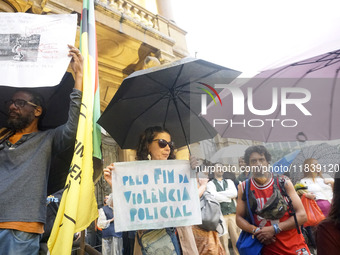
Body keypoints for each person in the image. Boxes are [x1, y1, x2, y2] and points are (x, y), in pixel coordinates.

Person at [0, 45, 83, 255]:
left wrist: (79, 77)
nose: (12, 106)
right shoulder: (2, 136)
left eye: (20, 103)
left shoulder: (47, 139)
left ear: (37, 111)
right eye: (11, 102)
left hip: (22, 229)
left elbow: (74, 127)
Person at [103, 126, 199, 255]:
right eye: (162, 143)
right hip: (151, 241)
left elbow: (191, 200)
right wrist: (114, 184)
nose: (167, 148)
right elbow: (128, 207)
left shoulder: (179, 172)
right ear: (148, 145)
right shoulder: (136, 175)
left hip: (181, 239)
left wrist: (194, 173)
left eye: (170, 144)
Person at [236, 145, 310, 255]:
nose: (258, 164)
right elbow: (239, 218)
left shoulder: (283, 182)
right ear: (248, 165)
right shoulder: (244, 187)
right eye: (253, 161)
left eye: (261, 160)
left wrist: (275, 229)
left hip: (294, 245)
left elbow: (302, 216)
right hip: (266, 248)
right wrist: (256, 230)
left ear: (267, 162)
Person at [207, 163, 239, 255]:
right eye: (218, 168)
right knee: (223, 241)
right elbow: (213, 197)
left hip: (232, 214)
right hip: (220, 216)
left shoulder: (229, 181)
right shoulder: (210, 184)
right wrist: (228, 196)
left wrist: (221, 195)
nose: (220, 169)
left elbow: (234, 193)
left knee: (236, 239)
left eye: (221, 168)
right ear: (213, 170)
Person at [316, 169, 340, 255]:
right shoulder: (328, 230)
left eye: (317, 165)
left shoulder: (326, 177)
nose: (316, 168)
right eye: (313, 165)